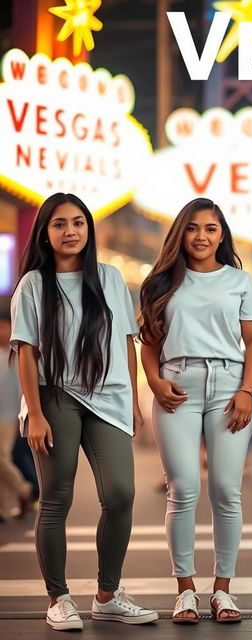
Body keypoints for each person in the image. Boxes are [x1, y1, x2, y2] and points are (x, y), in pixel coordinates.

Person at [10, 192, 158, 631]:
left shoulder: (110, 277)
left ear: (88, 229)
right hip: (54, 396)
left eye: (78, 222)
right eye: (59, 224)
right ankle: (58, 598)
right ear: (46, 232)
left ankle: (108, 595)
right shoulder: (34, 284)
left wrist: (132, 401)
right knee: (56, 498)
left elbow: (127, 344)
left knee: (120, 494)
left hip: (108, 396)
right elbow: (25, 352)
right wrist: (34, 413)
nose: (70, 231)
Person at [139, 198, 252, 624]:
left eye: (211, 229)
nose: (201, 236)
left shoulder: (240, 282)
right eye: (193, 228)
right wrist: (156, 384)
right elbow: (151, 343)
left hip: (230, 388)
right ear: (181, 233)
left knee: (226, 492)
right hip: (177, 385)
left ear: (222, 235)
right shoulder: (161, 282)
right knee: (183, 490)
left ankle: (223, 591)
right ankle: (186, 591)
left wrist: (248, 391)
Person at [0, 314, 36, 521]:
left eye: (4, 327)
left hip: (8, 416)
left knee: (2, 459)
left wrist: (19, 417)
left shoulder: (15, 355)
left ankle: (24, 489)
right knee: (4, 460)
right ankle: (4, 508)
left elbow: (22, 388)